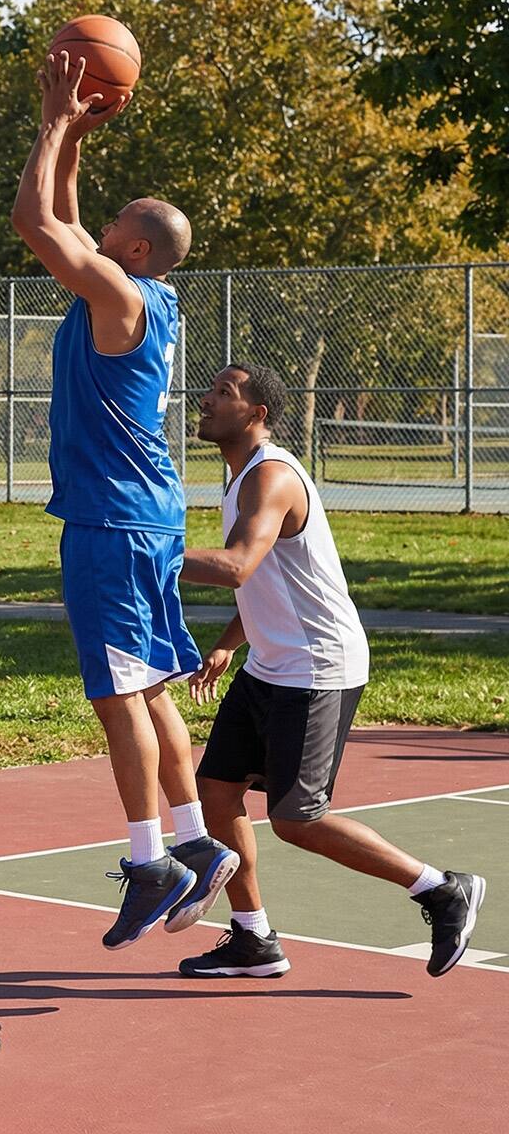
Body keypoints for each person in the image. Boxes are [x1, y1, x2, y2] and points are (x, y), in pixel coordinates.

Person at [10, 49, 237, 948]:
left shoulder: (117, 293)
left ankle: (149, 861)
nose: (93, 228)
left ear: (134, 250)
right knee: (149, 694)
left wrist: (55, 123)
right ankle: (195, 844)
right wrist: (72, 132)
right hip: (147, 517)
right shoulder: (149, 294)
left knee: (116, 700)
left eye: (112, 227)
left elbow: (35, 221)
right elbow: (62, 213)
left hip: (110, 524)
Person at [178, 361, 487, 979]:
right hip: (272, 664)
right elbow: (270, 577)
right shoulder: (239, 475)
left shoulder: (271, 476)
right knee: (216, 792)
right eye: (209, 389)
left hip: (317, 668)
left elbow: (238, 564)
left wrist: (141, 554)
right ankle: (253, 938)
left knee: (296, 819)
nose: (205, 400)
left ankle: (439, 888)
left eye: (223, 393)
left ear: (257, 413)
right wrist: (231, 641)